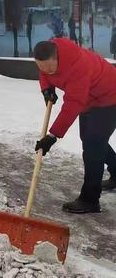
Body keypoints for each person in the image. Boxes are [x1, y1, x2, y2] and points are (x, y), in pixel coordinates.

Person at [33, 38, 116, 213]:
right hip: (89, 98)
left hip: (109, 97)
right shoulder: (48, 54)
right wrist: (46, 88)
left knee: (93, 145)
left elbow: (73, 104)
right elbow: (44, 72)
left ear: (58, 58)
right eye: (42, 68)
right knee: (91, 139)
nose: (47, 72)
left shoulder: (79, 67)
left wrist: (53, 136)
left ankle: (90, 200)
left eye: (50, 69)